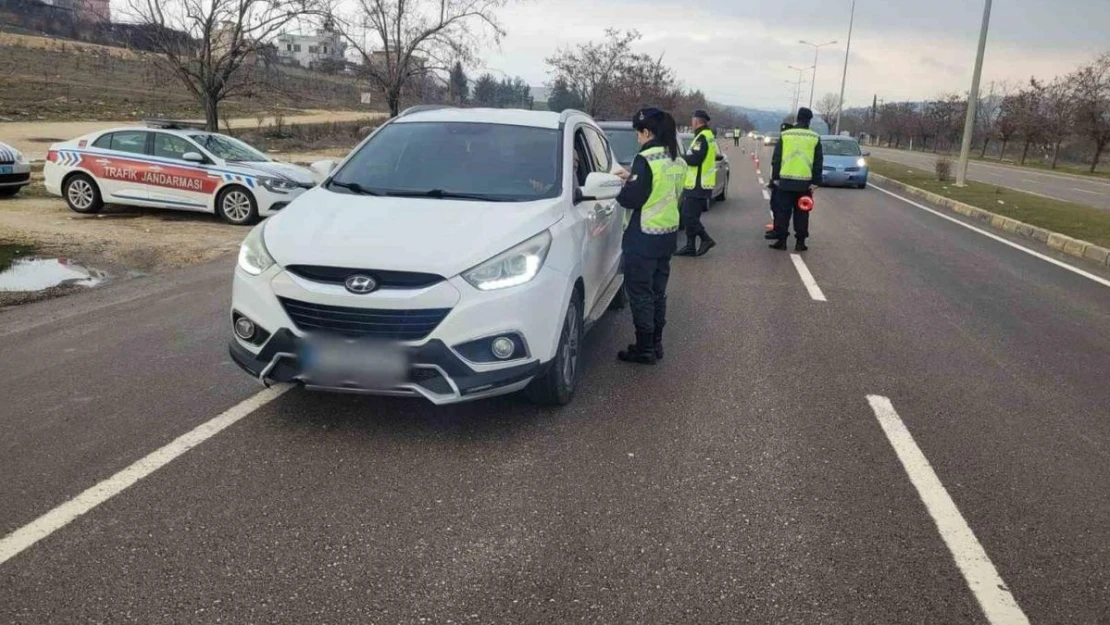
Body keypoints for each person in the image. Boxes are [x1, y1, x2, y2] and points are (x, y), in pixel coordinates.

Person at [614, 108, 685, 365]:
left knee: (641, 293)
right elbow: (667, 193)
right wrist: (631, 179)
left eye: (638, 133)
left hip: (643, 237)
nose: (637, 139)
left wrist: (623, 186)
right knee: (657, 292)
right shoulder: (677, 159)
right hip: (666, 236)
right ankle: (656, 343)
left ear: (646, 131)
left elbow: (631, 199)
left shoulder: (645, 159)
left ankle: (644, 349)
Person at [769, 108, 823, 251]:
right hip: (804, 184)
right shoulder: (814, 137)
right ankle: (800, 242)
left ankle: (781, 241)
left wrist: (775, 178)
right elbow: (818, 161)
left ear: (797, 118)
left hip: (785, 182)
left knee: (782, 212)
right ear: (809, 120)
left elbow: (777, 158)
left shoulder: (786, 135)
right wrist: (816, 182)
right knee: (802, 213)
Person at [675, 109, 717, 257]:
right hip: (700, 183)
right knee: (692, 216)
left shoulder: (702, 137)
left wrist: (682, 158)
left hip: (697, 184)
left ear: (697, 121)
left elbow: (695, 159)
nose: (691, 123)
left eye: (692, 121)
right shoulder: (707, 135)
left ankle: (706, 239)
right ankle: (690, 246)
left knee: (687, 216)